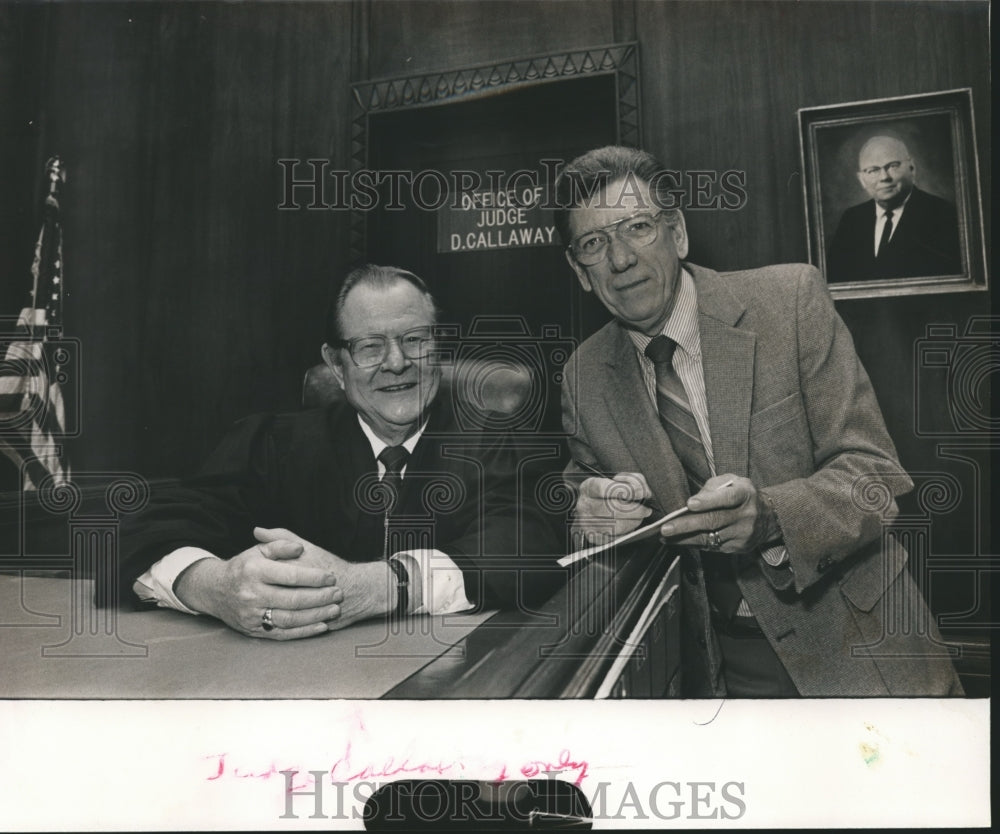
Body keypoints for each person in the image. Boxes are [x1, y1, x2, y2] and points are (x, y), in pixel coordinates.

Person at [554, 145, 962, 697]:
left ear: (677, 234)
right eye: (594, 243)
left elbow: (876, 478)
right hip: (712, 677)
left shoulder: (790, 301)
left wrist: (771, 517)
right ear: (578, 272)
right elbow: (583, 494)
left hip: (861, 652)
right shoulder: (584, 376)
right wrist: (592, 515)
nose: (620, 258)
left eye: (637, 227)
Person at [105, 264, 562, 639]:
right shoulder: (275, 446)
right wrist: (214, 587)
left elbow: (528, 545)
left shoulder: (494, 442)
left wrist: (380, 587)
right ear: (336, 365)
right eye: (370, 347)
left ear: (437, 347)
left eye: (415, 340)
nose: (397, 362)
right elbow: (145, 529)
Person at [826, 134, 962, 282]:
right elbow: (835, 279)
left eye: (892, 166)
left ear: (912, 168)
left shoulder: (942, 213)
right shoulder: (852, 218)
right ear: (862, 180)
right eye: (873, 170)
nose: (884, 177)